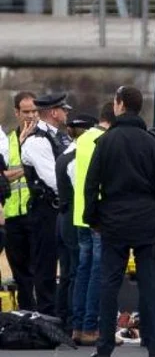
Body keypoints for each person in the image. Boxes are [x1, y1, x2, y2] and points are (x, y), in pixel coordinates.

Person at [84, 85, 155, 357]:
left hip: (113, 220)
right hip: (149, 222)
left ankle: (104, 347)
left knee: (109, 283)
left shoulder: (105, 142)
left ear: (120, 104)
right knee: (150, 285)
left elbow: (91, 185)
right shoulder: (152, 143)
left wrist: (93, 218)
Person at [21, 92, 72, 316]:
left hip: (59, 208)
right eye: (63, 109)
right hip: (45, 209)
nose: (67, 113)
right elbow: (53, 179)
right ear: (53, 112)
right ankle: (46, 314)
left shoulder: (61, 137)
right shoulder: (37, 141)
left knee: (66, 263)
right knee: (45, 265)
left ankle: (61, 312)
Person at [72, 103, 115, 346]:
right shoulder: (106, 140)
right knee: (99, 272)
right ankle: (91, 328)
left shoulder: (84, 138)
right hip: (100, 216)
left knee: (83, 271)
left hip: (81, 215)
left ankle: (77, 327)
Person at [56, 114, 97, 334]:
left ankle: (63, 317)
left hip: (63, 216)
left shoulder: (65, 154)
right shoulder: (76, 158)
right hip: (74, 218)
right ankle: (72, 319)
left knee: (68, 272)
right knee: (77, 271)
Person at [3, 91, 38, 311]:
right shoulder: (8, 142)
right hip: (12, 216)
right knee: (20, 273)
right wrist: (25, 169)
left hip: (35, 213)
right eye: (26, 112)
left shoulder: (45, 138)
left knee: (38, 270)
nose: (31, 116)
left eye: (35, 111)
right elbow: (2, 175)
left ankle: (41, 314)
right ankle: (27, 314)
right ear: (16, 113)